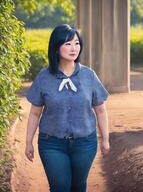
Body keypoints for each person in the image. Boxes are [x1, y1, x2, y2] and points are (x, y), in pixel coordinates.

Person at [25, 24, 110, 192]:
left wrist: (105, 139)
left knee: (78, 186)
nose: (74, 48)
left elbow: (100, 109)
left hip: (85, 143)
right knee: (60, 187)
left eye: (77, 43)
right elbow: (35, 113)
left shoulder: (89, 75)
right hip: (52, 144)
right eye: (68, 43)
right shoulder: (44, 77)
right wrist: (28, 142)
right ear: (56, 47)